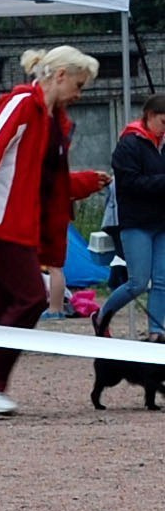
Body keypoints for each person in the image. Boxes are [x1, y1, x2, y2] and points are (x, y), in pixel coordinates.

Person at [0, 46, 110, 418]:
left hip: (17, 226)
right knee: (30, 299)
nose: (80, 94)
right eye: (78, 85)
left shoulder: (51, 120)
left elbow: (44, 182)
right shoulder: (23, 104)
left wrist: (87, 182)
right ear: (59, 76)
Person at [93, 92, 165, 342]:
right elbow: (130, 183)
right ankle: (102, 314)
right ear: (150, 116)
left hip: (161, 223)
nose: (164, 129)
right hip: (136, 223)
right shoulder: (129, 144)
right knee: (137, 282)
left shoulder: (161, 144)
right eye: (163, 122)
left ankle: (157, 331)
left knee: (162, 280)